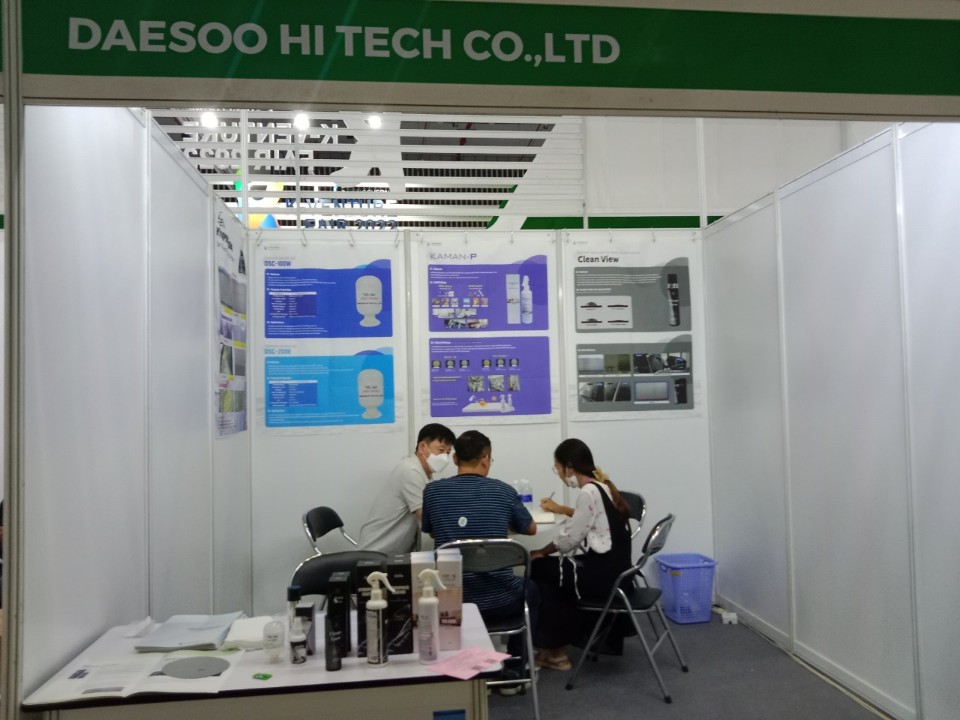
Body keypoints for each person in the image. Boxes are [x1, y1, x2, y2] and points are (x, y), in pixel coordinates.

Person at [421, 430, 538, 694]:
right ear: (485, 459)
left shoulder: (433, 491)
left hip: (452, 601)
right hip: (501, 599)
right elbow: (530, 529)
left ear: (455, 460)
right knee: (532, 590)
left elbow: (429, 529)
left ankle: (466, 670)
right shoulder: (504, 491)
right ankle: (515, 671)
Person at [530, 438, 633, 671]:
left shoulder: (588, 493)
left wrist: (540, 551)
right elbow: (585, 518)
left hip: (603, 579)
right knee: (552, 571)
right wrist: (561, 509)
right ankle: (557, 646)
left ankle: (554, 649)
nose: (558, 473)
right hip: (619, 573)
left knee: (539, 568)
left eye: (557, 468)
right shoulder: (601, 486)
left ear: (569, 467)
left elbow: (569, 540)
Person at [357, 423, 456, 554]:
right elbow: (428, 523)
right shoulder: (410, 471)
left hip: (393, 554)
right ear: (422, 447)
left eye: (448, 453)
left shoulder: (424, 474)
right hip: (376, 553)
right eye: (441, 450)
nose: (445, 458)